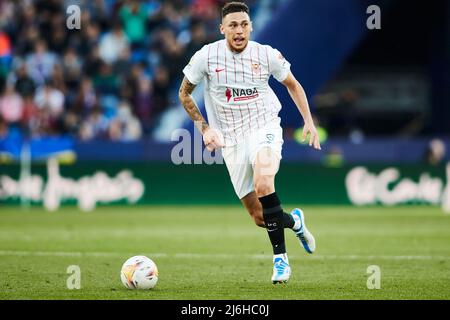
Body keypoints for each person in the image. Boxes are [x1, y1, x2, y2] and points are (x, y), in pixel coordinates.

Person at [178, 2, 321, 284]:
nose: (239, 30)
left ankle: (280, 261)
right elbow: (184, 94)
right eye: (233, 25)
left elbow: (292, 84)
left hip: (263, 126)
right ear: (222, 29)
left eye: (244, 24)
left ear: (251, 27)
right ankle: (295, 222)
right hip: (230, 140)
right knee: (259, 216)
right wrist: (205, 129)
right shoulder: (206, 57)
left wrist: (309, 120)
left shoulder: (266, 54)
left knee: (264, 183)